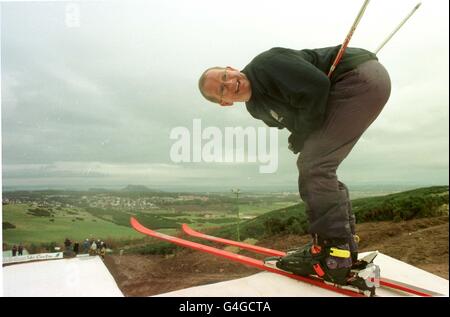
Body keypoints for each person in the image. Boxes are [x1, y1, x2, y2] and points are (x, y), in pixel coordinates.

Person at [198, 45, 391, 286]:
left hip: (358, 77)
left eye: (225, 76)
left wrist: (302, 134)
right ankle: (343, 248)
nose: (229, 83)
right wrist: (299, 134)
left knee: (314, 164)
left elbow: (317, 87)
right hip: (360, 85)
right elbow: (299, 120)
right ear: (224, 103)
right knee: (318, 165)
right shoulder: (256, 109)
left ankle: (333, 255)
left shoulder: (267, 64)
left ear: (231, 68)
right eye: (222, 89)